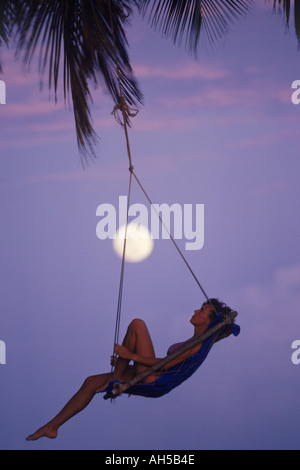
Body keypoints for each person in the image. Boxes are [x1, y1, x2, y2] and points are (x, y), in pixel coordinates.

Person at [26, 298, 231, 441]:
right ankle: (52, 427)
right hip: (154, 375)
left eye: (202, 310)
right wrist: (128, 361)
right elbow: (165, 367)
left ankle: (114, 378)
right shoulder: (194, 341)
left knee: (137, 325)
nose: (196, 311)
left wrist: (129, 355)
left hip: (154, 381)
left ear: (209, 320)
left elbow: (167, 366)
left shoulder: (198, 344)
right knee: (90, 382)